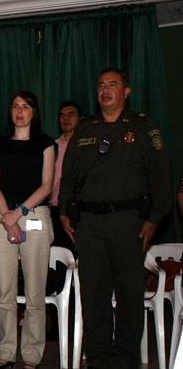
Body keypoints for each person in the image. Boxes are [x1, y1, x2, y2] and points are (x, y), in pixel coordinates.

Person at [59, 67, 171, 369]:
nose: (105, 90)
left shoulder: (143, 126)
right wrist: (64, 211)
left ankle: (124, 358)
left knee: (129, 295)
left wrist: (154, 219)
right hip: (89, 224)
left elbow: (162, 179)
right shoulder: (85, 128)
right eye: (100, 85)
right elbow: (68, 176)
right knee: (93, 294)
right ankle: (97, 358)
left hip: (129, 222)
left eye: (112, 84)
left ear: (126, 92)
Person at [0, 91, 55, 369]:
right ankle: (5, 352)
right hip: (1, 215)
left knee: (35, 291)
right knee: (4, 290)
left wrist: (18, 214)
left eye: (25, 106)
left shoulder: (46, 143)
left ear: (33, 111)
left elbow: (46, 186)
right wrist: (8, 216)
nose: (19, 111)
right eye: (15, 106)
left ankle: (31, 355)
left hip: (33, 215)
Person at [49, 101, 82, 251]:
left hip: (80, 208)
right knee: (58, 252)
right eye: (62, 115)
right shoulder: (52, 147)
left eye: (71, 114)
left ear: (81, 119)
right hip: (55, 207)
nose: (66, 118)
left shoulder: (86, 147)